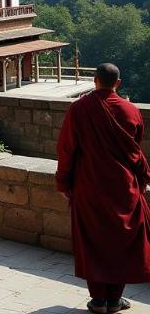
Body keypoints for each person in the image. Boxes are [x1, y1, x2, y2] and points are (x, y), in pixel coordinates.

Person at [56, 62, 150, 314]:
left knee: (93, 241)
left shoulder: (79, 109)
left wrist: (63, 182)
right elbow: (135, 150)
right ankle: (114, 300)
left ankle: (98, 300)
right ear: (118, 83)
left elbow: (66, 150)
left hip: (89, 186)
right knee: (120, 242)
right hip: (123, 188)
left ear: (94, 80)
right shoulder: (131, 111)